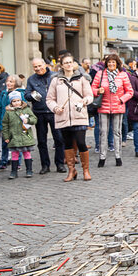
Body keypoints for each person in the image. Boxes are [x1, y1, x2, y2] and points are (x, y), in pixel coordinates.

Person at [46, 53, 94, 182]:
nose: (68, 64)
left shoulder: (82, 78)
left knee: (81, 142)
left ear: (74, 64)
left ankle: (85, 170)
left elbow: (90, 95)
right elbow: (50, 99)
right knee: (67, 144)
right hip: (63, 117)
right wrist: (56, 108)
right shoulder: (56, 80)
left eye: (70, 62)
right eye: (65, 62)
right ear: (61, 65)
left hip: (79, 115)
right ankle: (71, 171)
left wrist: (85, 101)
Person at [91, 54, 134, 167]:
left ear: (117, 63)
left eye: (113, 62)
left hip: (118, 106)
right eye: (109, 62)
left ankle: (118, 156)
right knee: (103, 132)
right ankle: (102, 157)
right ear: (106, 63)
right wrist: (97, 91)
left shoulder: (123, 75)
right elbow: (92, 88)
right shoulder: (100, 74)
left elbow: (130, 92)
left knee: (117, 132)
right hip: (103, 106)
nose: (111, 64)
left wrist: (121, 99)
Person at [25, 57, 66, 174]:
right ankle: (45, 165)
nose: (38, 68)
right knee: (42, 141)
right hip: (39, 113)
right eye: (35, 67)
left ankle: (60, 164)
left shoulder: (55, 76)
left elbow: (63, 91)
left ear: (45, 64)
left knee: (59, 139)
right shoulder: (31, 79)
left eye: (39, 66)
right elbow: (26, 95)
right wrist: (32, 95)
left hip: (54, 112)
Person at [1, 91, 37, 179]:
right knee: (14, 154)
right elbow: (5, 125)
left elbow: (34, 119)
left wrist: (28, 121)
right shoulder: (8, 112)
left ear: (21, 101)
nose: (16, 103)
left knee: (27, 153)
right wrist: (6, 136)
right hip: (13, 137)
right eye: (14, 101)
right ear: (11, 102)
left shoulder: (26, 109)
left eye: (18, 100)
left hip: (25, 135)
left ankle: (29, 170)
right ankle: (14, 171)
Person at [0, 75, 25, 171]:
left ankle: (18, 163)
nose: (8, 83)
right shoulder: (3, 93)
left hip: (16, 123)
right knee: (5, 144)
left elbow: (24, 108)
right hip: (5, 123)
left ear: (16, 83)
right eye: (7, 81)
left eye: (11, 81)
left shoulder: (20, 93)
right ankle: (3, 163)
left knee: (17, 144)